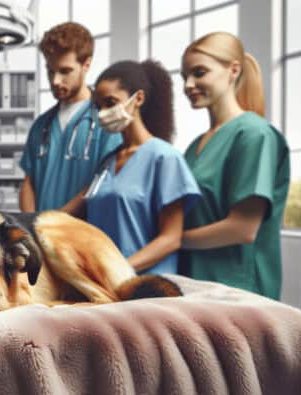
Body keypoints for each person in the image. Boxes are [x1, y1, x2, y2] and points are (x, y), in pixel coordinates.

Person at [62, 60, 201, 275]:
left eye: (110, 103)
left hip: (148, 286)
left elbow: (171, 239)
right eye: (98, 107)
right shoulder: (107, 163)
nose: (102, 113)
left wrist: (119, 269)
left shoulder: (164, 158)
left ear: (138, 98)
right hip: (108, 283)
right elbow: (69, 213)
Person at [179, 32, 290, 299]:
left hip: (237, 291)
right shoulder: (195, 147)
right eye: (184, 77)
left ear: (233, 71)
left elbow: (242, 228)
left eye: (199, 72)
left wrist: (173, 240)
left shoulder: (254, 134)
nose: (188, 84)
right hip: (195, 286)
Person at [19, 22, 122, 212]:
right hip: (41, 235)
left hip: (83, 234)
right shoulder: (41, 125)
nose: (55, 80)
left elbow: (100, 184)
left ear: (86, 65)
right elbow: (28, 183)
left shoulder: (106, 121)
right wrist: (30, 225)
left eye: (65, 71)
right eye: (50, 71)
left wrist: (57, 221)